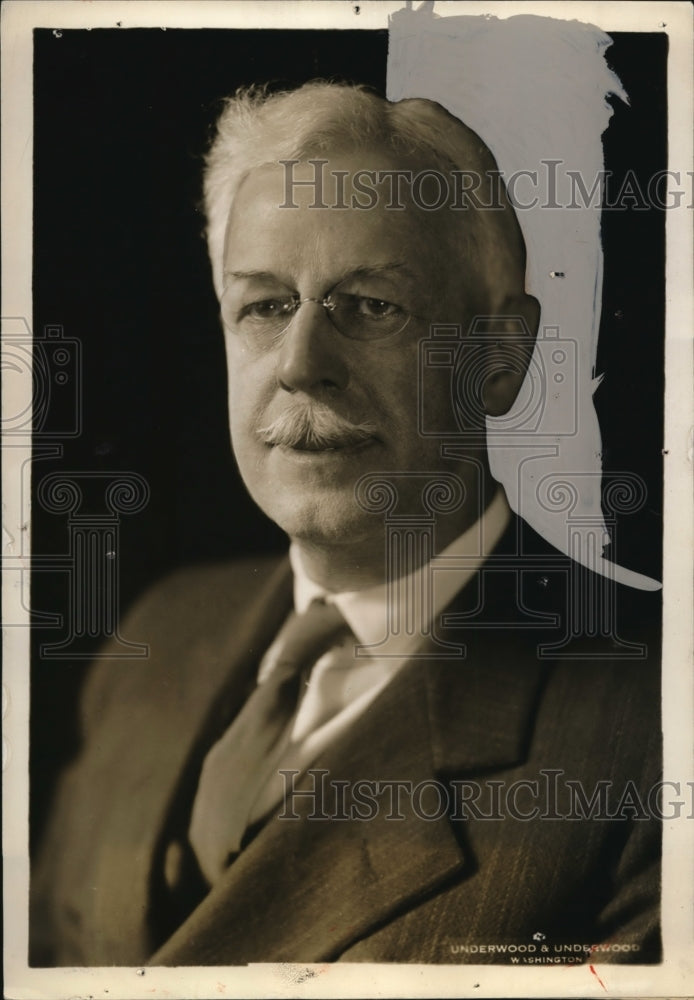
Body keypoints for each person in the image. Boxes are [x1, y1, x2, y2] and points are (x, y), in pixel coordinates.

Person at [30, 81, 661, 967]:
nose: (300, 365)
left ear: (499, 360)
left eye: (369, 306)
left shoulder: (658, 730)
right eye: (264, 305)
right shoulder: (161, 636)